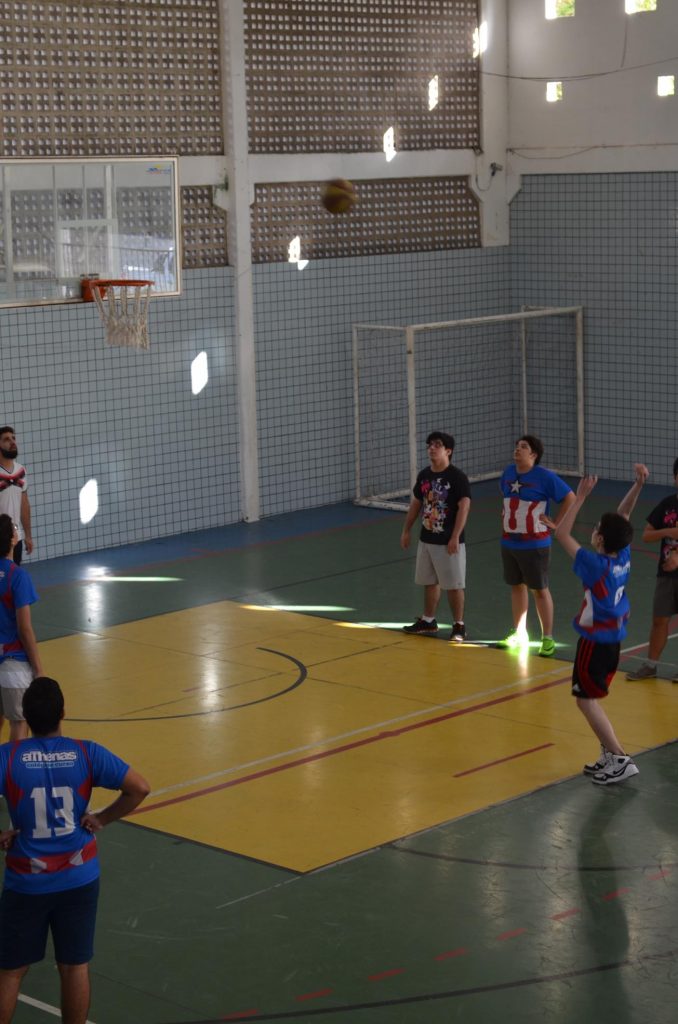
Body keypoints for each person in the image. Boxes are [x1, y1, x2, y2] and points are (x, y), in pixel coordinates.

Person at [0, 676, 150, 1024]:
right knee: (74, 966)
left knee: (9, 972)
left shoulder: (8, 758)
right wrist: (101, 819)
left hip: (27, 881)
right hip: (79, 877)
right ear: (63, 713)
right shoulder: (86, 752)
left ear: (25, 715)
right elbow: (139, 788)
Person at [545, 464, 649, 785]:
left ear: (600, 538)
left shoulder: (595, 565)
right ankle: (609, 754)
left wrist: (580, 498)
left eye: (597, 527)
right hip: (611, 638)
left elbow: (561, 534)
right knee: (586, 698)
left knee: (585, 700)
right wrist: (638, 485)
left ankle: (619, 757)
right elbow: (623, 514)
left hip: (595, 640)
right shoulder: (623, 556)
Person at [499, 435, 576, 657]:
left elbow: (570, 497)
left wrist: (557, 523)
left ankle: (547, 637)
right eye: (517, 446)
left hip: (535, 545)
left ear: (533, 455)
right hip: (509, 542)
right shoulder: (507, 473)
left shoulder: (544, 477)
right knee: (516, 586)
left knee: (540, 590)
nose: (518, 450)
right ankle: (519, 633)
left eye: (524, 447)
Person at [400, 431, 471, 642]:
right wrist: (406, 530)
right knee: (429, 581)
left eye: (437, 445)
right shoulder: (424, 475)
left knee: (454, 584)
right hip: (427, 538)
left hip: (448, 540)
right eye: (430, 445)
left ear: (448, 451)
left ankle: (459, 625)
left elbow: (464, 507)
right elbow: (416, 503)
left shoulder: (457, 477)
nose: (431, 448)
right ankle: (428, 620)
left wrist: (455, 536)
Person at [626, 456, 678, 681]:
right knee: (659, 620)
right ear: (675, 478)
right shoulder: (668, 504)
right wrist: (668, 533)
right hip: (666, 573)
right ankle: (651, 665)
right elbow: (646, 535)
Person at [0, 514, 42, 742]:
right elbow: (24, 628)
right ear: (12, 539)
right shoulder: (17, 576)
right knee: (19, 721)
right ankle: (13, 775)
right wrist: (38, 668)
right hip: (13, 663)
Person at [0, 427, 33, 566]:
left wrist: (28, 535)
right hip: (0, 538)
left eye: (13, 438)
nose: (12, 442)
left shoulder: (21, 471)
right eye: (7, 439)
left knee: (11, 581)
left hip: (15, 538)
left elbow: (24, 504)